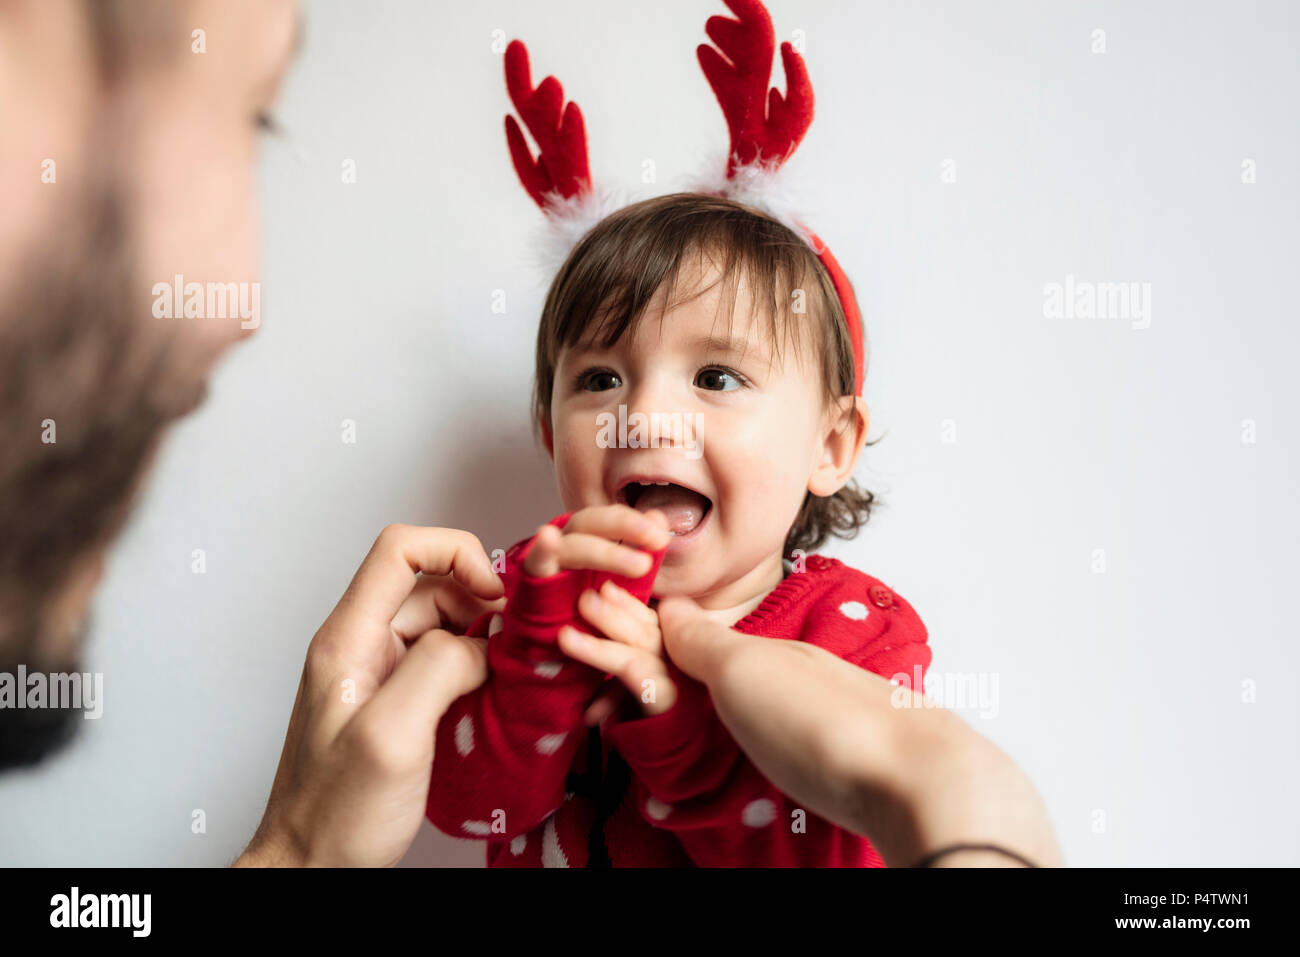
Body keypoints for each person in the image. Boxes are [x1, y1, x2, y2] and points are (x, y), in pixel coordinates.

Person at [0, 0, 1058, 868]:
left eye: (719, 376)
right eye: (599, 378)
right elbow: (469, 805)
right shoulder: (524, 597)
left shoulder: (854, 626)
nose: (645, 414)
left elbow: (789, 823)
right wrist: (536, 667)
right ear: (547, 426)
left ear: (831, 446)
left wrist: (670, 714)